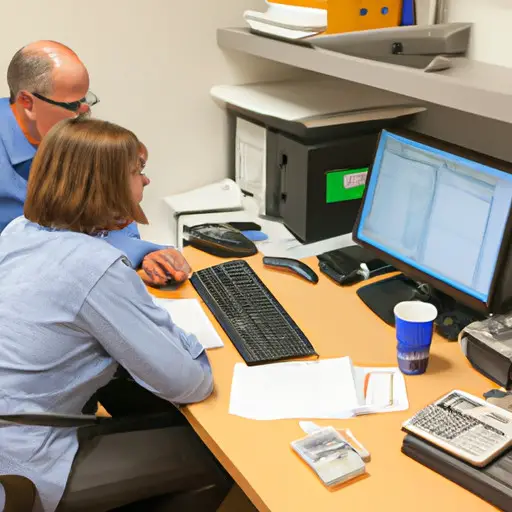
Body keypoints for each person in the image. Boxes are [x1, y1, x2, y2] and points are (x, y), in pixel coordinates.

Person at [0, 117, 231, 512]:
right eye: (137, 172)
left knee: (142, 401)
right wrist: (175, 336)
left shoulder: (19, 230)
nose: (146, 182)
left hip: (16, 423)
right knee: (217, 456)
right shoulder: (93, 267)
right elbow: (189, 383)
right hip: (27, 460)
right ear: (103, 184)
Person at [0, 40, 190, 287]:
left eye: (85, 99)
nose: (84, 111)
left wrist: (142, 254)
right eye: (71, 105)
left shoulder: (71, 139)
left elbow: (104, 208)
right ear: (27, 102)